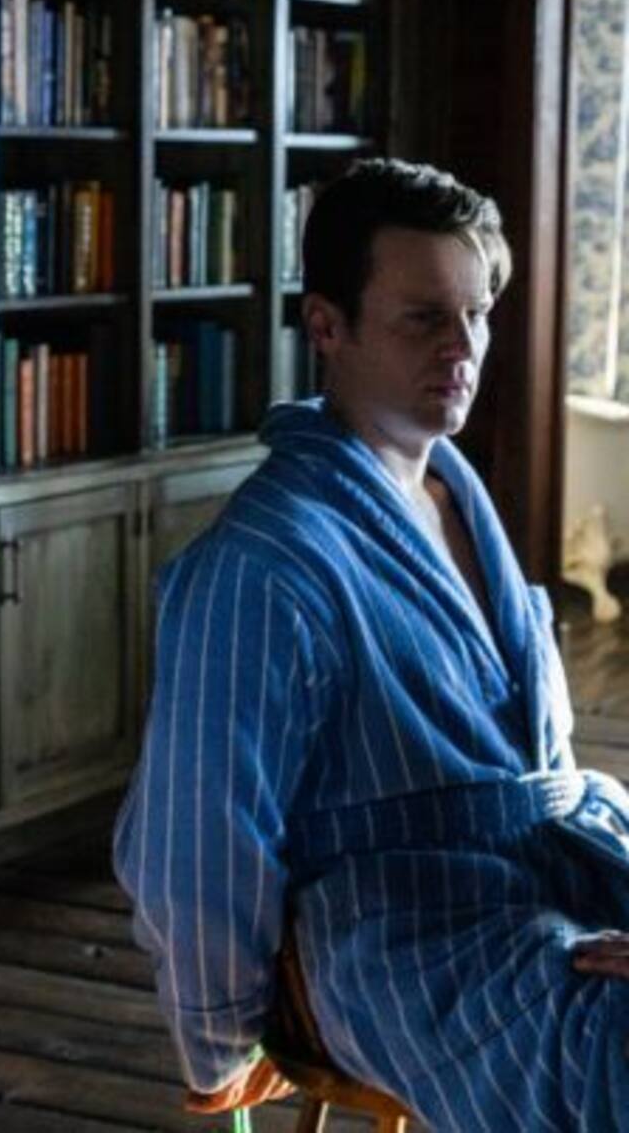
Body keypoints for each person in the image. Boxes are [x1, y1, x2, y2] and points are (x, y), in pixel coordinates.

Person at [114, 158, 629, 1131]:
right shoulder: (263, 563)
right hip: (411, 929)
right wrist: (220, 1037)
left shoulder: (452, 494)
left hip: (551, 864)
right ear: (326, 326)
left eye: (476, 314)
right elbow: (197, 841)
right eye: (423, 318)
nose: (463, 347)